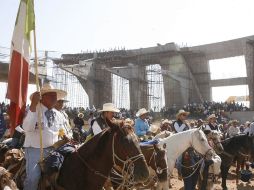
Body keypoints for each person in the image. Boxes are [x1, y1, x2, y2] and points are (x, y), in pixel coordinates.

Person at [22, 83, 70, 190]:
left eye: (55, 96)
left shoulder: (58, 114)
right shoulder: (34, 110)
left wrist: (65, 136)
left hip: (54, 150)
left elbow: (62, 130)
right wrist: (33, 105)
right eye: (51, 95)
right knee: (33, 178)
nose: (55, 98)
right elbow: (27, 128)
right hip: (35, 150)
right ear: (42, 97)